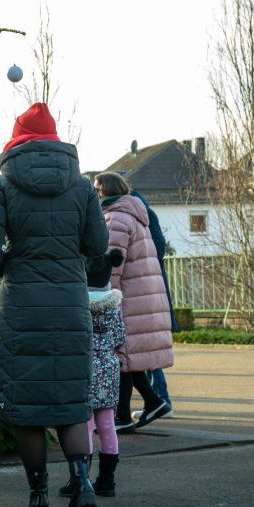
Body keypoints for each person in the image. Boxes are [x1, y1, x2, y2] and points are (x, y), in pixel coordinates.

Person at [0, 102, 109, 507]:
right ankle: (82, 482)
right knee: (69, 402)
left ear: (17, 141)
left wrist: (9, 268)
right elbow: (97, 244)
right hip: (70, 303)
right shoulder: (82, 187)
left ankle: (38, 500)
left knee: (25, 406)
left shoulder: (3, 185)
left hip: (21, 305)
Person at [95, 172, 174, 433]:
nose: (94, 193)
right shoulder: (135, 214)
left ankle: (129, 414)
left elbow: (113, 265)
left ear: (105, 190)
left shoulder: (116, 217)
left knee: (122, 357)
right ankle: (149, 404)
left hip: (127, 297)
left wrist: (107, 298)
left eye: (97, 188)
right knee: (126, 357)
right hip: (141, 295)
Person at [59, 249, 126, 499]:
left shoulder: (77, 306)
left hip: (83, 369)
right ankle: (107, 480)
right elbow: (120, 338)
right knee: (108, 426)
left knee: (84, 427)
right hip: (109, 369)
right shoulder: (114, 307)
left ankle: (80, 480)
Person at [130, 189, 175, 416]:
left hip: (146, 290)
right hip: (147, 289)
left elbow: (158, 247)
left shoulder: (144, 214)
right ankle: (158, 399)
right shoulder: (142, 212)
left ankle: (160, 399)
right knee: (146, 349)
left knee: (147, 349)